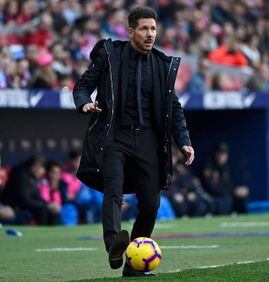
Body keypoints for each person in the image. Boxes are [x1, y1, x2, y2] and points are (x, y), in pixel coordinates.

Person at [72, 7, 194, 277]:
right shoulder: (110, 55)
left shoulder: (163, 65)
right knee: (112, 191)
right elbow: (82, 86)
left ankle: (132, 265)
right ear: (130, 32)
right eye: (144, 29)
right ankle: (114, 245)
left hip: (150, 141)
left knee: (151, 205)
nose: (150, 34)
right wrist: (84, 105)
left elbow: (174, 107)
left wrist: (183, 140)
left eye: (153, 29)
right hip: (115, 137)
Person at [0, 155, 55, 225]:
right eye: (36, 166)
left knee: (51, 210)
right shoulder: (21, 175)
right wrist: (43, 206)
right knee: (40, 209)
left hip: (23, 205)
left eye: (41, 167)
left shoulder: (33, 177)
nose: (39, 170)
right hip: (12, 206)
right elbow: (24, 199)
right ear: (31, 165)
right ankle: (42, 231)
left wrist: (47, 204)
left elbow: (36, 196)